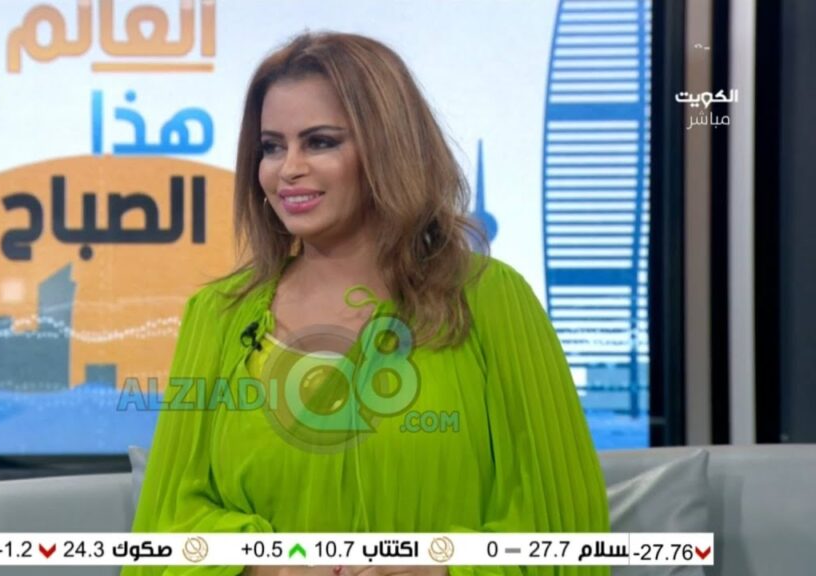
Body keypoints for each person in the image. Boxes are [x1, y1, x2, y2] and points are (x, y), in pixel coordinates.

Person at [121, 32, 610, 576]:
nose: (288, 169)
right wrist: (267, 566)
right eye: (272, 147)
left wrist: (439, 567)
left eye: (320, 142)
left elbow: (564, 530)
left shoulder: (492, 300)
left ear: (388, 149)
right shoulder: (217, 315)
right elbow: (169, 529)